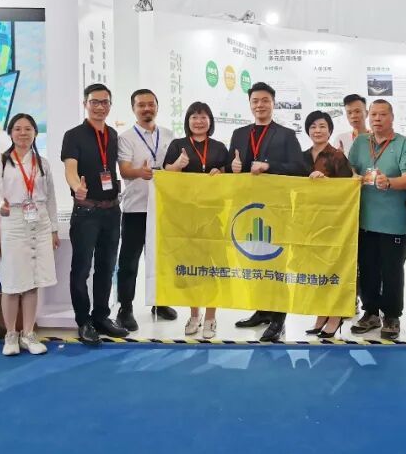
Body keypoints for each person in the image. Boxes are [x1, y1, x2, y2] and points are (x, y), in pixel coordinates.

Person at [229, 82, 310, 342]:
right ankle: (262, 309)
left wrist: (269, 165)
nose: (260, 105)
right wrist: (232, 167)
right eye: (255, 101)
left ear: (273, 103)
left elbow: (299, 168)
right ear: (250, 104)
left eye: (265, 100)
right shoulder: (239, 134)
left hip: (276, 209)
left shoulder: (286, 134)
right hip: (246, 208)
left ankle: (278, 316)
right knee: (253, 260)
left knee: (276, 262)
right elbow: (232, 169)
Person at [0, 113, 58, 357]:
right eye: (18, 128)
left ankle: (28, 333)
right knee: (12, 282)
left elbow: (50, 198)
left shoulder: (43, 163)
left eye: (28, 128)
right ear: (10, 133)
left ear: (35, 133)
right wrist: (0, 206)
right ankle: (11, 334)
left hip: (39, 220)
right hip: (13, 219)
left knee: (32, 282)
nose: (23, 133)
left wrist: (53, 229)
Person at [61, 83, 127, 345]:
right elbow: (70, 168)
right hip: (86, 211)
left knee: (107, 267)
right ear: (85, 104)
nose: (100, 107)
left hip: (112, 210)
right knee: (81, 269)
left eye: (105, 102)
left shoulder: (112, 134)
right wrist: (76, 187)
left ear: (110, 105)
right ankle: (84, 321)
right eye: (94, 102)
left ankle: (101, 316)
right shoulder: (73, 135)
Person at [348, 100, 406, 340]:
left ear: (392, 117)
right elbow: (350, 169)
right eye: (374, 115)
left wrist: (389, 182)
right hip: (364, 219)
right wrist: (354, 176)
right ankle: (370, 313)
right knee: (367, 269)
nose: (377, 119)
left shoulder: (404, 144)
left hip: (392, 221)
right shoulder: (360, 142)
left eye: (382, 114)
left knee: (391, 271)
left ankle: (392, 316)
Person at [163, 102, 230, 339]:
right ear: (187, 121)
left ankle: (211, 317)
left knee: (212, 269)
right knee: (192, 269)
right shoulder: (177, 145)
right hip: (185, 217)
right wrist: (177, 165)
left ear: (210, 120)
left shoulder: (219, 147)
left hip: (212, 216)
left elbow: (230, 176)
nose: (199, 121)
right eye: (194, 117)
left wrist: (221, 173)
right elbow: (166, 174)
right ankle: (194, 315)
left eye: (203, 117)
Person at [116, 88, 177, 332]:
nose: (146, 109)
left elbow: (173, 168)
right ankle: (125, 309)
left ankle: (159, 303)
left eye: (150, 104)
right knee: (129, 262)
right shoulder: (126, 138)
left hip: (163, 208)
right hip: (136, 208)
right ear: (133, 109)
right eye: (141, 105)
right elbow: (124, 170)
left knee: (160, 259)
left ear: (157, 107)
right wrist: (140, 172)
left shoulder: (169, 135)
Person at [302, 110, 354, 338]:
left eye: (322, 126)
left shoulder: (337, 157)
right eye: (313, 126)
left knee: (334, 268)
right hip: (310, 222)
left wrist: (328, 183)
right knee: (317, 270)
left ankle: (336, 316)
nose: (318, 130)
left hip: (334, 222)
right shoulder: (302, 156)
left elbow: (348, 189)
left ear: (330, 130)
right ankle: (321, 313)